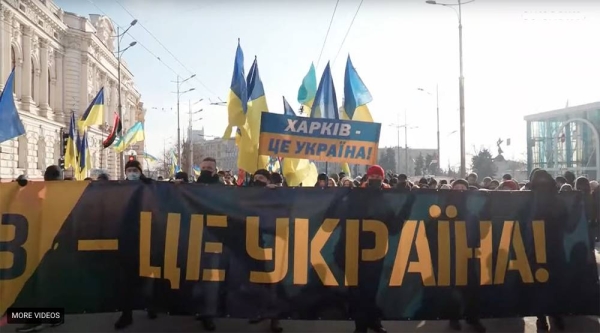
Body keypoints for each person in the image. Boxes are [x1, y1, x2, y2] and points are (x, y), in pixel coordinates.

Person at [16, 167, 63, 332]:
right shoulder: (43, 194)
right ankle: (43, 319)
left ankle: (43, 319)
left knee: (43, 285)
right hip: (37, 247)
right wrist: (21, 183)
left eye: (55, 177)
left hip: (52, 250)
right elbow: (25, 196)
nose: (52, 180)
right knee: (40, 285)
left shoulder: (67, 195)